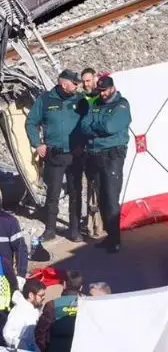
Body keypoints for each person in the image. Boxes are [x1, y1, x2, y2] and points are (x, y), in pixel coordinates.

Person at [26, 69, 85, 242]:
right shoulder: (45, 99)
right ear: (63, 83)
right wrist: (37, 144)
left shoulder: (80, 100)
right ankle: (50, 229)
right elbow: (31, 122)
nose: (77, 86)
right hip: (54, 155)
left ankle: (74, 230)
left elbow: (89, 121)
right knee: (53, 194)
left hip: (75, 155)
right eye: (74, 83)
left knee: (76, 193)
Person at [80, 75, 132, 253]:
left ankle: (115, 239)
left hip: (112, 156)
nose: (102, 94)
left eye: (105, 91)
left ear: (112, 88)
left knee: (111, 196)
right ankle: (109, 235)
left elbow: (111, 127)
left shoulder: (121, 105)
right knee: (101, 197)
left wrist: (96, 126)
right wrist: (97, 127)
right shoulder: (96, 104)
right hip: (96, 155)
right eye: (100, 91)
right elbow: (84, 125)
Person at [35, 270, 84, 352]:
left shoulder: (52, 305)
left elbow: (40, 332)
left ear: (64, 285)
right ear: (81, 288)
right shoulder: (87, 304)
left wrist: (46, 350)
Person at [80, 67, 103, 238]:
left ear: (95, 78)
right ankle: (90, 224)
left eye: (88, 80)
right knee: (90, 187)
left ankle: (100, 225)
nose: (85, 84)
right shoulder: (82, 99)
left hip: (99, 148)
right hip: (86, 149)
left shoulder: (101, 97)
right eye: (84, 81)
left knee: (100, 187)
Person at [3, 278, 46, 352]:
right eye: (41, 295)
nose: (43, 298)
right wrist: (23, 348)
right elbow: (7, 333)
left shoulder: (33, 309)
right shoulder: (19, 311)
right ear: (31, 295)